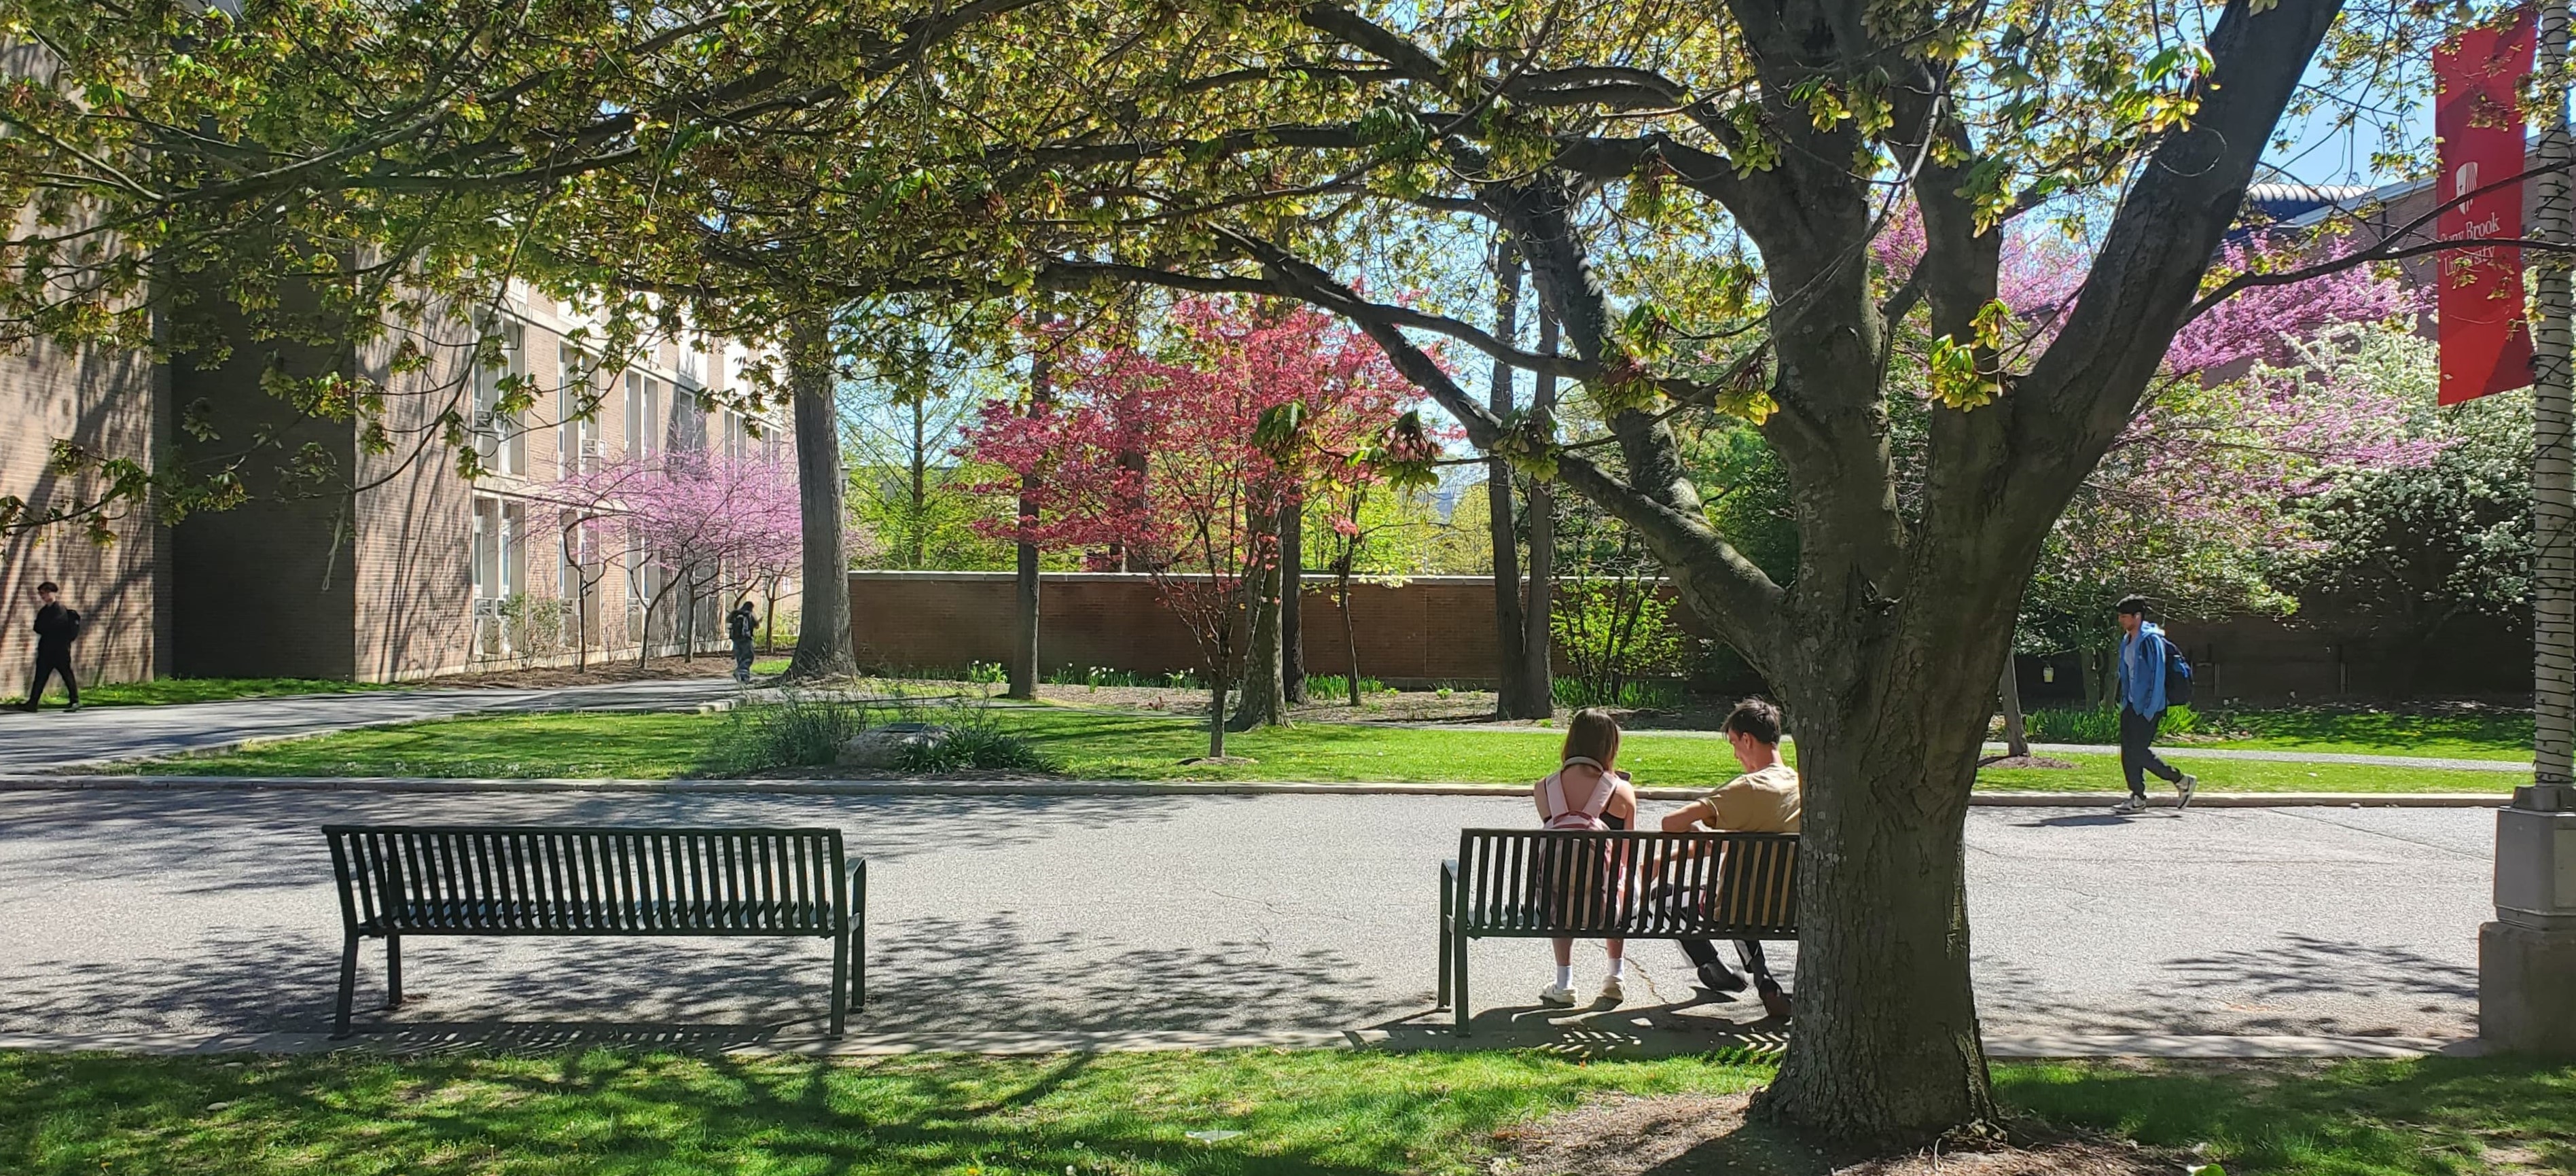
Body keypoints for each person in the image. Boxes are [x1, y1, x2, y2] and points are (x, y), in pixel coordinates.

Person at [1657, 697, 1798, 1019]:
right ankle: (1761, 978)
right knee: (1743, 896)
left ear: (1747, 739)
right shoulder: (1804, 787)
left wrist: (1694, 830)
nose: (1736, 754)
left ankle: (1709, 964)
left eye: (1735, 744)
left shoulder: (1747, 788)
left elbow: (1671, 823)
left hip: (1735, 907)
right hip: (1792, 907)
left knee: (1665, 897)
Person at [1532, 707, 1638, 1008]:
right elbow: (1625, 858)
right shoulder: (1623, 792)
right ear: (1610, 747)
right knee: (1621, 879)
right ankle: (1615, 976)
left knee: (1562, 882)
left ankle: (1564, 982)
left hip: (1555, 904)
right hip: (1606, 907)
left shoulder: (1545, 788)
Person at [2113, 595, 2197, 815]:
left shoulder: (2151, 641)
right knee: (2128, 752)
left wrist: (2150, 708)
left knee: (2138, 751)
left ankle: (2181, 780)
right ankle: (2138, 797)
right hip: (2131, 705)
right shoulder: (2127, 640)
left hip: (2149, 706)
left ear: (2137, 617)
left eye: (2124, 616)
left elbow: (2157, 677)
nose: (2121, 620)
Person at [20, 581, 82, 713]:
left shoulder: (59, 609)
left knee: (67, 675)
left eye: (44, 593)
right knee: (40, 677)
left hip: (60, 650)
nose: (42, 596)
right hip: (46, 649)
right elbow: (37, 627)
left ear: (52, 593)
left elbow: (53, 627)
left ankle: (75, 701)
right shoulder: (44, 611)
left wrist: (46, 627)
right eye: (40, 593)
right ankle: (33, 703)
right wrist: (46, 627)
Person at [726, 599, 759, 683]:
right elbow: (756, 625)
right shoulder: (750, 614)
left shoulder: (736, 613)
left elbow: (728, 620)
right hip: (746, 638)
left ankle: (743, 678)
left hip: (736, 639)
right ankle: (741, 672)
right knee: (748, 657)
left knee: (740, 658)